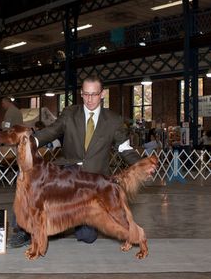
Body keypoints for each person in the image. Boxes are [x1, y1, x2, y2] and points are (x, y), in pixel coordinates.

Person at [9, 75, 141, 248]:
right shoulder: (70, 113)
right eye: (86, 94)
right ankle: (24, 231)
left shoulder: (114, 120)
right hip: (66, 173)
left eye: (94, 94)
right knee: (32, 190)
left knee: (88, 237)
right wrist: (30, 141)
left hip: (93, 181)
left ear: (102, 94)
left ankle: (63, 223)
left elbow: (124, 148)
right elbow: (51, 131)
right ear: (81, 93)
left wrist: (142, 164)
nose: (90, 99)